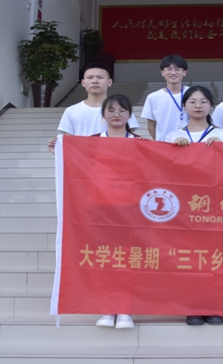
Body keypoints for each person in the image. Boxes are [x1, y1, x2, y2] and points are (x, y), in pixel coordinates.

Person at [164, 85, 223, 326]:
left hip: (216, 206)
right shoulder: (172, 136)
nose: (198, 105)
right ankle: (192, 306)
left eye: (203, 101)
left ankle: (215, 305)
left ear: (211, 106)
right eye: (192, 101)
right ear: (184, 106)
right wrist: (173, 151)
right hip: (185, 208)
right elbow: (162, 171)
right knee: (189, 257)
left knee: (216, 256)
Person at [91, 94, 145, 329]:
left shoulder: (140, 143)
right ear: (103, 114)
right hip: (100, 209)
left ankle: (125, 310)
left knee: (127, 258)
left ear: (130, 115)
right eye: (111, 110)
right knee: (105, 258)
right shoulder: (90, 142)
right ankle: (107, 308)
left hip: (131, 210)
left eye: (122, 110)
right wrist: (59, 149)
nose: (116, 114)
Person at [47, 63, 139, 152]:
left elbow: (129, 137)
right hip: (83, 159)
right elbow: (69, 142)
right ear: (83, 82)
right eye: (90, 77)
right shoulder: (71, 111)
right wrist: (58, 151)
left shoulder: (121, 109)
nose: (95, 81)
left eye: (100, 77)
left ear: (109, 82)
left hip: (112, 158)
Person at [141, 54, 189, 141]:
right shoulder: (153, 97)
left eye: (177, 69)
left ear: (184, 72)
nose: (173, 73)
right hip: (164, 144)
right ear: (162, 72)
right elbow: (151, 126)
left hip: (190, 143)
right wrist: (160, 142)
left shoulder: (192, 94)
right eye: (169, 69)